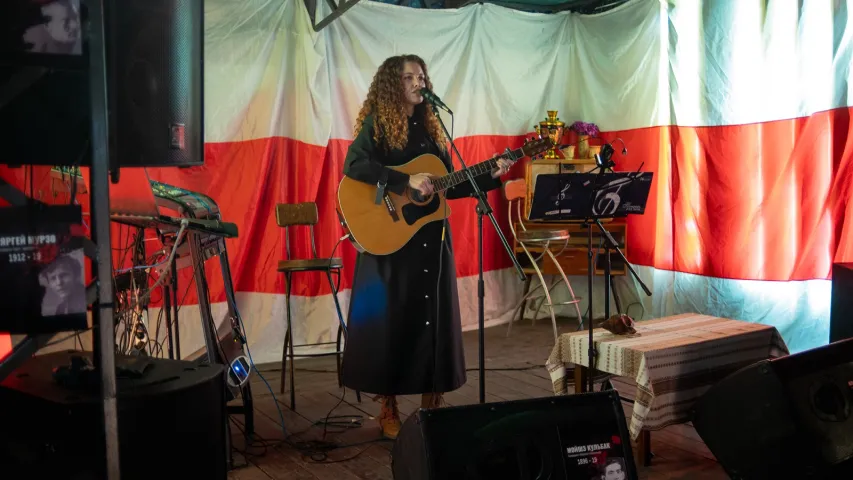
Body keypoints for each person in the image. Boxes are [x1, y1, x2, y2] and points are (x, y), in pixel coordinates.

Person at [340, 54, 512, 439]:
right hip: (390, 238)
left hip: (430, 240)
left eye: (421, 76)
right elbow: (355, 166)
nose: (418, 82)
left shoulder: (433, 130)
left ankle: (432, 402)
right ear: (392, 84)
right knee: (390, 325)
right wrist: (404, 182)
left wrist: (491, 176)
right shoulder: (378, 125)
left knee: (432, 321)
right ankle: (387, 407)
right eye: (408, 77)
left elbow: (448, 185)